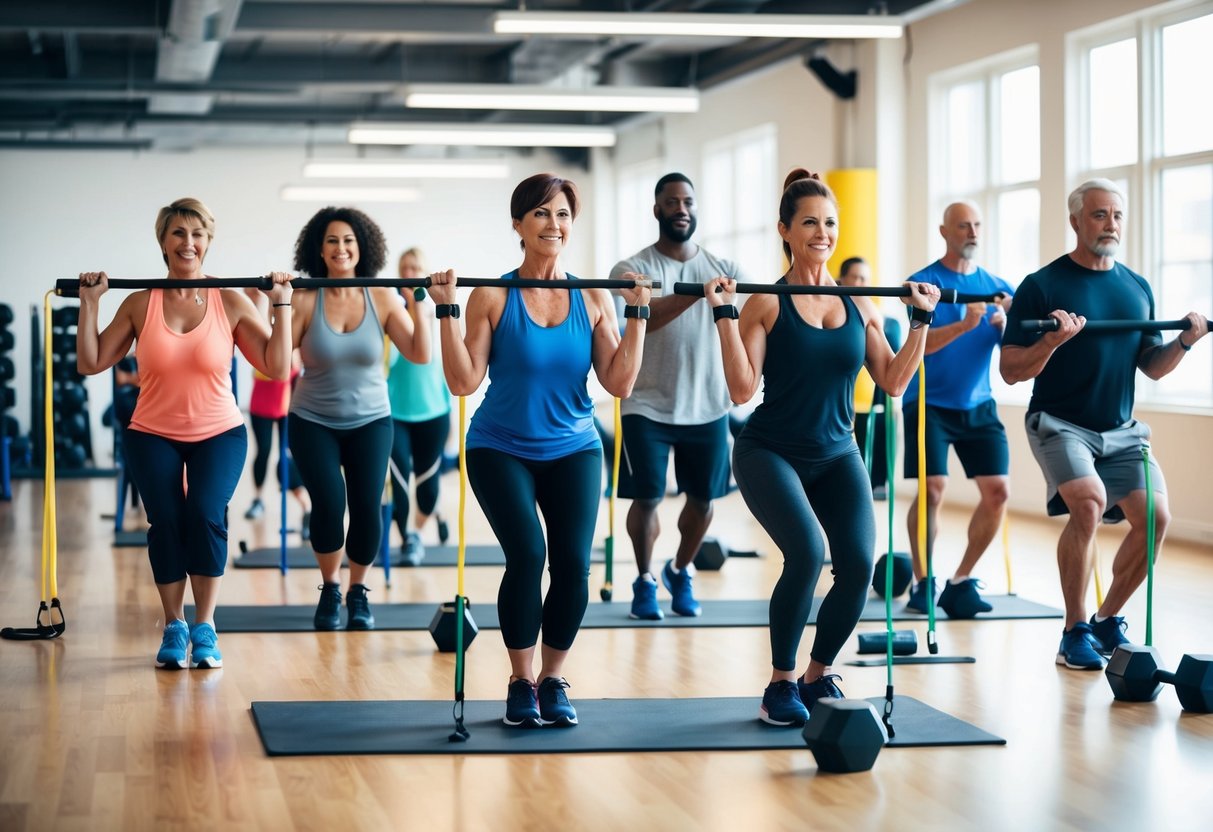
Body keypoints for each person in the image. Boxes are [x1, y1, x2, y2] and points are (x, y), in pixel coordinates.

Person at [703, 169, 940, 726]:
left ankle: (817, 674)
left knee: (858, 565)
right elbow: (741, 389)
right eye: (809, 222)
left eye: (829, 223)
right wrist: (723, 317)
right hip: (770, 451)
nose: (822, 232)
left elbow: (895, 381)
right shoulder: (766, 302)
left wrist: (923, 321)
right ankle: (780, 683)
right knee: (807, 554)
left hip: (838, 453)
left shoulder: (862, 304)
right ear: (785, 230)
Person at [428, 173, 650, 728]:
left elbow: (619, 383)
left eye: (563, 215)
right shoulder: (493, 295)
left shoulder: (591, 296)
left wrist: (638, 315)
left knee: (573, 565)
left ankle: (553, 678)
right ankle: (520, 680)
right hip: (499, 446)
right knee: (528, 554)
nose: (555, 225)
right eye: (543, 215)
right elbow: (462, 381)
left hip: (574, 446)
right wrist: (446, 310)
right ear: (519, 225)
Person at [76, 197, 294, 669]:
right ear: (163, 242)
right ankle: (175, 623)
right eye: (178, 233)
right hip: (152, 431)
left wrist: (282, 305)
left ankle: (206, 625)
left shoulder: (230, 299)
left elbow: (277, 367)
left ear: (208, 242)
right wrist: (90, 305)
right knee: (167, 523)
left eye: (197, 234)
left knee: (205, 513)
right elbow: (90, 361)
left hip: (219, 431)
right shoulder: (140, 302)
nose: (188, 242)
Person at [1001, 179, 1208, 670]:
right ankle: (1073, 631)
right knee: (1090, 504)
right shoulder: (1043, 285)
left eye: (1117, 214)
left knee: (1156, 518)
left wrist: (1184, 342)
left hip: (1121, 430)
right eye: (1099, 215)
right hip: (1059, 422)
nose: (1110, 223)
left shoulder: (1136, 288)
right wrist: (1051, 342)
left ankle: (1105, 619)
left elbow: (1150, 365)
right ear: (1076, 221)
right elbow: (1010, 370)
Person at [288, 207, 430, 631]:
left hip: (371, 419)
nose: (341, 248)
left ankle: (357, 591)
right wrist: (278, 305)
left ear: (362, 247)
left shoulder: (382, 295)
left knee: (368, 508)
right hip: (313, 418)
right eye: (332, 240)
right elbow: (277, 363)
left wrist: (420, 302)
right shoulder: (305, 297)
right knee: (329, 505)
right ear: (320, 249)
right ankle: (331, 586)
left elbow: (419, 353)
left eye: (349, 240)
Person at [609, 173, 743, 621]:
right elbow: (644, 315)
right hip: (645, 404)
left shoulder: (727, 269)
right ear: (657, 210)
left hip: (708, 404)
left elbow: (753, 319)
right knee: (646, 497)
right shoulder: (631, 270)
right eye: (672, 202)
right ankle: (645, 580)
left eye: (688, 201)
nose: (681, 209)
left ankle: (680, 569)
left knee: (703, 500)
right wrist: (698, 294)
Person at [900, 202, 1015, 618]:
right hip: (927, 401)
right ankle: (922, 581)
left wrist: (1006, 328)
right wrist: (965, 325)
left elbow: (1013, 356)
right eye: (963, 225)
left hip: (978, 404)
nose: (972, 232)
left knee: (998, 493)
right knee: (933, 489)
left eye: (977, 225)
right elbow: (919, 346)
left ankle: (960, 580)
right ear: (944, 231)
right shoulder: (922, 282)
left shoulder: (999, 287)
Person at [386, 247, 451, 566]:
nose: (410, 273)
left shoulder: (431, 308)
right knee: (399, 483)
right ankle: (409, 538)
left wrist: (419, 302)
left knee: (427, 490)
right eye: (404, 267)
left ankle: (421, 527)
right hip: (394, 411)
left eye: (415, 267)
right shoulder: (390, 307)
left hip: (434, 410)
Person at [242, 288, 311, 537]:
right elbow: (260, 329)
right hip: (261, 405)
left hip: (287, 408)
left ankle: (305, 508)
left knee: (289, 458)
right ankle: (258, 499)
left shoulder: (295, 336)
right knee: (264, 452)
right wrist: (258, 300)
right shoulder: (265, 333)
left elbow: (293, 366)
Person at [837, 257, 902, 499]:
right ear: (842, 280)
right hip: (846, 406)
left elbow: (892, 363)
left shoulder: (886, 322)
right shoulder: (834, 318)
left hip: (879, 403)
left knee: (873, 482)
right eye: (854, 277)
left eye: (864, 278)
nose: (859, 282)